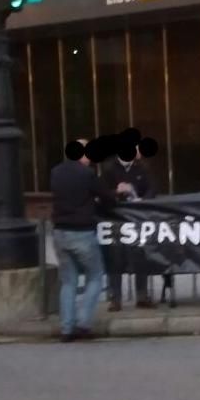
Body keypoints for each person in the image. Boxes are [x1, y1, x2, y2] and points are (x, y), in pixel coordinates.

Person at [50, 139, 119, 342]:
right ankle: (83, 323)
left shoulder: (56, 172)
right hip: (81, 232)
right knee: (96, 276)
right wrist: (114, 194)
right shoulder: (87, 174)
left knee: (68, 282)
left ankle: (66, 328)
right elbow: (107, 197)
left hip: (59, 232)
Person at [101, 146, 157, 311]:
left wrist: (143, 200)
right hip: (115, 220)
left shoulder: (142, 167)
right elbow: (102, 191)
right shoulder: (109, 168)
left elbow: (152, 187)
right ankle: (115, 298)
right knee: (115, 258)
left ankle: (142, 295)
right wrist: (116, 192)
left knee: (140, 255)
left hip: (138, 220)